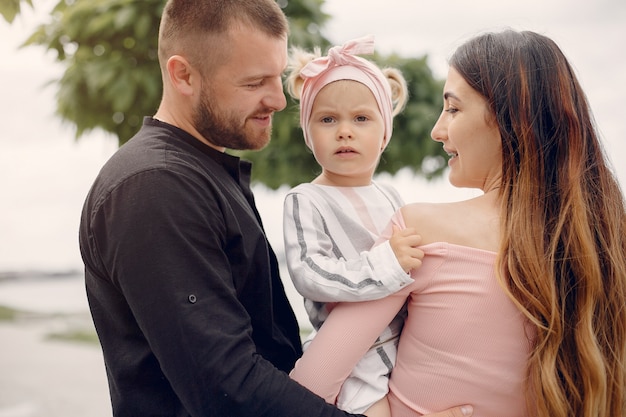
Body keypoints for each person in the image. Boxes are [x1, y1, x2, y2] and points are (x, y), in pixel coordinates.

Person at [78, 0, 475, 416]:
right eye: (254, 83)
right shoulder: (155, 187)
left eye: (277, 76)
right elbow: (226, 386)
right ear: (184, 75)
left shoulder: (202, 173)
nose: (279, 100)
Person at [290, 29, 626, 417]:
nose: (437, 130)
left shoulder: (418, 233)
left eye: (452, 108)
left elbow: (308, 388)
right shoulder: (606, 249)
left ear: (508, 118)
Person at [283, 35, 423, 415]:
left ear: (383, 133)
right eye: (328, 119)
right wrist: (386, 265)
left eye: (361, 118)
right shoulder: (306, 199)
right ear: (309, 133)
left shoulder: (392, 197)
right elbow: (310, 272)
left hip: (407, 348)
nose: (344, 130)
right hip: (354, 363)